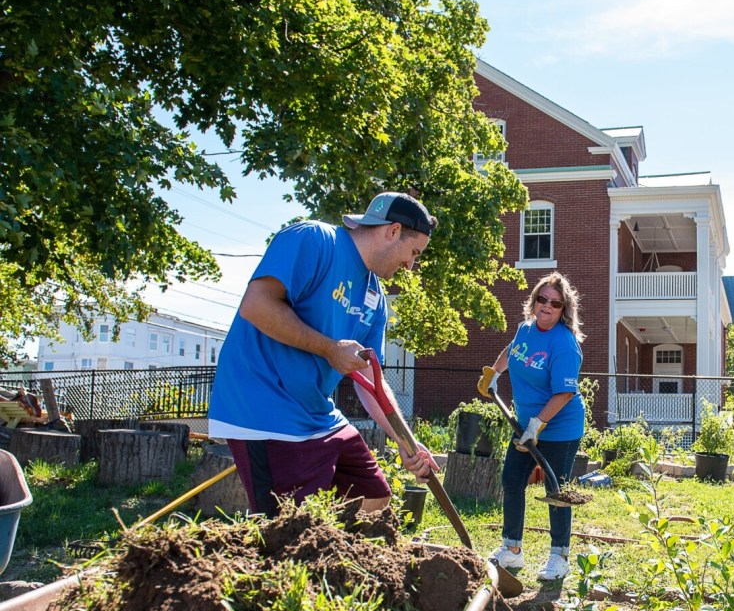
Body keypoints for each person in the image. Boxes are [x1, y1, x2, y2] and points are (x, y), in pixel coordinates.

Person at [209, 192, 437, 516]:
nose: (411, 266)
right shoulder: (314, 241)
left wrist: (404, 440)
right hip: (264, 409)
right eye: (413, 252)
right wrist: (330, 349)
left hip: (318, 414)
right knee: (287, 526)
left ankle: (331, 547)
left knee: (372, 497)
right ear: (393, 231)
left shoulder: (374, 298)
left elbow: (370, 380)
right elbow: (256, 305)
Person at [477, 273, 586, 581]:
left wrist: (538, 424)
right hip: (525, 425)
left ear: (563, 309)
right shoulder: (526, 329)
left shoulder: (564, 343)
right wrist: (494, 373)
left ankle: (559, 556)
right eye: (542, 299)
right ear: (534, 300)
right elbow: (512, 350)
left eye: (555, 303)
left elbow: (565, 392)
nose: (547, 306)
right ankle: (512, 549)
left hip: (559, 429)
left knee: (556, 490)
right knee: (512, 479)